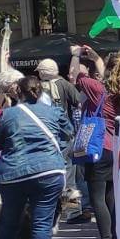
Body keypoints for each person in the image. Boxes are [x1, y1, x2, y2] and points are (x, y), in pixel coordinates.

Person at [0, 76, 74, 239]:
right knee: (42, 224)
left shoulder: (9, 114)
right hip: (48, 171)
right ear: (41, 91)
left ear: (19, 92)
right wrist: (54, 152)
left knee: (8, 223)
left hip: (13, 174)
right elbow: (69, 133)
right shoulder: (54, 111)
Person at [69, 45, 120, 239]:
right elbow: (103, 74)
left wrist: (74, 54)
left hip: (97, 148)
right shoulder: (118, 89)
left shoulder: (96, 88)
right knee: (110, 197)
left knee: (97, 198)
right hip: (114, 148)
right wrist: (96, 57)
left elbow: (73, 76)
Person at [36, 58, 83, 209]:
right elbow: (80, 101)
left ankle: (51, 205)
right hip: (64, 134)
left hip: (44, 136)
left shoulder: (36, 88)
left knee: (48, 172)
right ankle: (72, 210)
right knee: (68, 171)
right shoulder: (64, 85)